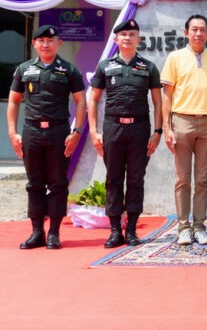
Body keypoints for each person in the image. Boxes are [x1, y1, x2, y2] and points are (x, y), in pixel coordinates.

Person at [7, 24, 86, 250]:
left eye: (50, 40)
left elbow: (81, 101)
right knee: (35, 184)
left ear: (58, 43)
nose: (45, 44)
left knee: (58, 183)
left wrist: (76, 132)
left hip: (58, 132)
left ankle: (54, 233)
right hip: (32, 132)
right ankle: (36, 232)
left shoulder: (69, 70)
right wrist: (13, 132)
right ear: (34, 44)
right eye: (40, 40)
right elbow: (13, 101)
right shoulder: (24, 69)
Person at [88, 18, 163, 248]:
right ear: (116, 39)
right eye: (123, 35)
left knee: (135, 180)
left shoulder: (148, 67)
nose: (128, 38)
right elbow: (94, 99)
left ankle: (131, 229)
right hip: (113, 128)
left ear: (138, 40)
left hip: (140, 129)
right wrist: (94, 131)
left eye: (132, 35)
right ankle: (114, 231)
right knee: (113, 179)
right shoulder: (105, 66)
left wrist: (158, 132)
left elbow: (159, 103)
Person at [161, 14, 207, 246]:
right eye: (194, 29)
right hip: (182, 122)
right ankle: (183, 227)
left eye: (202, 30)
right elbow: (166, 96)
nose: (198, 34)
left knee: (202, 179)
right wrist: (166, 128)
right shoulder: (175, 58)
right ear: (186, 32)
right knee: (182, 179)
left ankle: (199, 227)